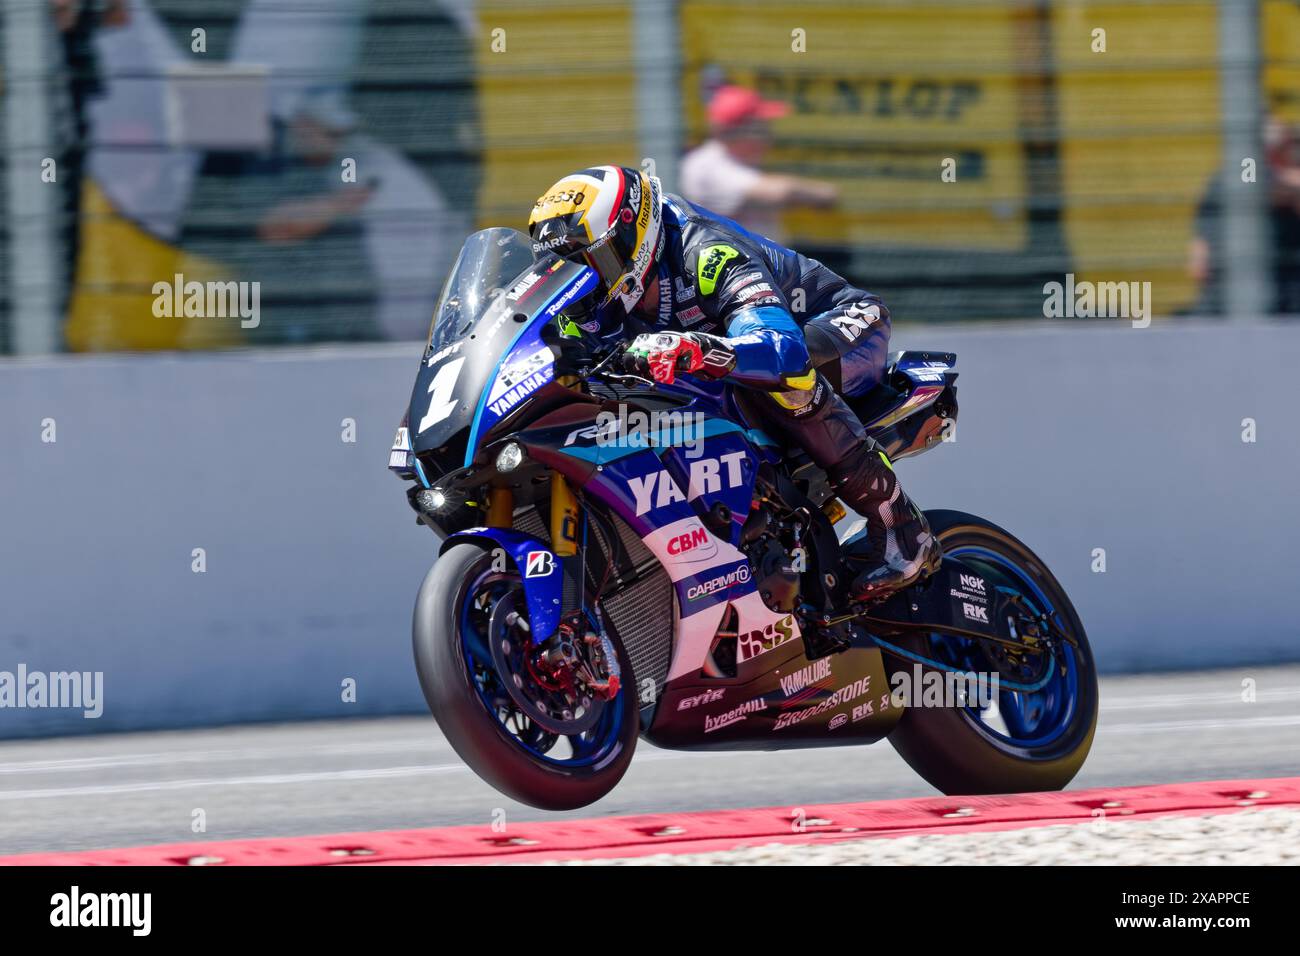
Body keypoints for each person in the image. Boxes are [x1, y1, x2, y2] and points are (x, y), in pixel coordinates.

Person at [527, 165, 939, 602]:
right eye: (569, 271)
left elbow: (782, 348)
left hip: (836, 324)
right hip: (735, 350)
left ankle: (901, 528)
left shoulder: (704, 252)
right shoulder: (586, 310)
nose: (586, 283)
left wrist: (701, 349)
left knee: (783, 379)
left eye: (596, 263)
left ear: (636, 231)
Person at [679, 85, 837, 244]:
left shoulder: (739, 162)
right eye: (759, 127)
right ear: (731, 131)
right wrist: (824, 193)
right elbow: (779, 192)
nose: (768, 134)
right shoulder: (706, 164)